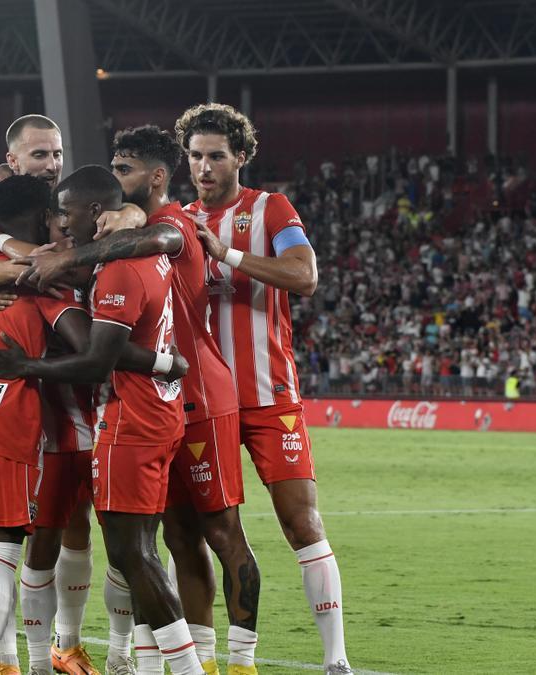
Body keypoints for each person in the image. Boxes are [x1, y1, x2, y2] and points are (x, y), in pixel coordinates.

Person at [15, 125, 261, 673]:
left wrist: (66, 263)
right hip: (168, 394)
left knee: (212, 534)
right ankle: (163, 660)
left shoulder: (167, 227)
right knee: (168, 540)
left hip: (185, 398)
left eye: (125, 170)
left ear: (153, 177)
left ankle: (239, 660)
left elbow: (161, 244)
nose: (119, 180)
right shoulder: (131, 235)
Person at [0, 114, 145, 674]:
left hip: (68, 402)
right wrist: (18, 267)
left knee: (105, 536)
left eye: (57, 153)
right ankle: (15, 658)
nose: (51, 163)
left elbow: (113, 236)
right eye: (40, 155)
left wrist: (11, 251)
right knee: (26, 535)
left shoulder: (75, 205)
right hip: (35, 407)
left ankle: (80, 649)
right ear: (11, 164)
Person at [0, 166, 203, 675]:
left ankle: (183, 667)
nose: (63, 221)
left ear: (96, 213)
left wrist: (27, 366)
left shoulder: (120, 269)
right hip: (159, 409)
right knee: (137, 550)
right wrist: (168, 364)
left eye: (70, 211)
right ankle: (139, 662)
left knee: (131, 553)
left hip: (131, 420)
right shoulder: (147, 250)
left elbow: (99, 359)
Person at [180, 103, 353, 675]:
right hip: (203, 402)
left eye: (216, 156)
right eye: (196, 156)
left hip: (269, 394)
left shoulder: (269, 209)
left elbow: (304, 277)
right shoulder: (178, 221)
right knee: (207, 533)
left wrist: (225, 253)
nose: (204, 167)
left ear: (241, 157)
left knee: (302, 522)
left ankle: (336, 661)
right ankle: (212, 658)